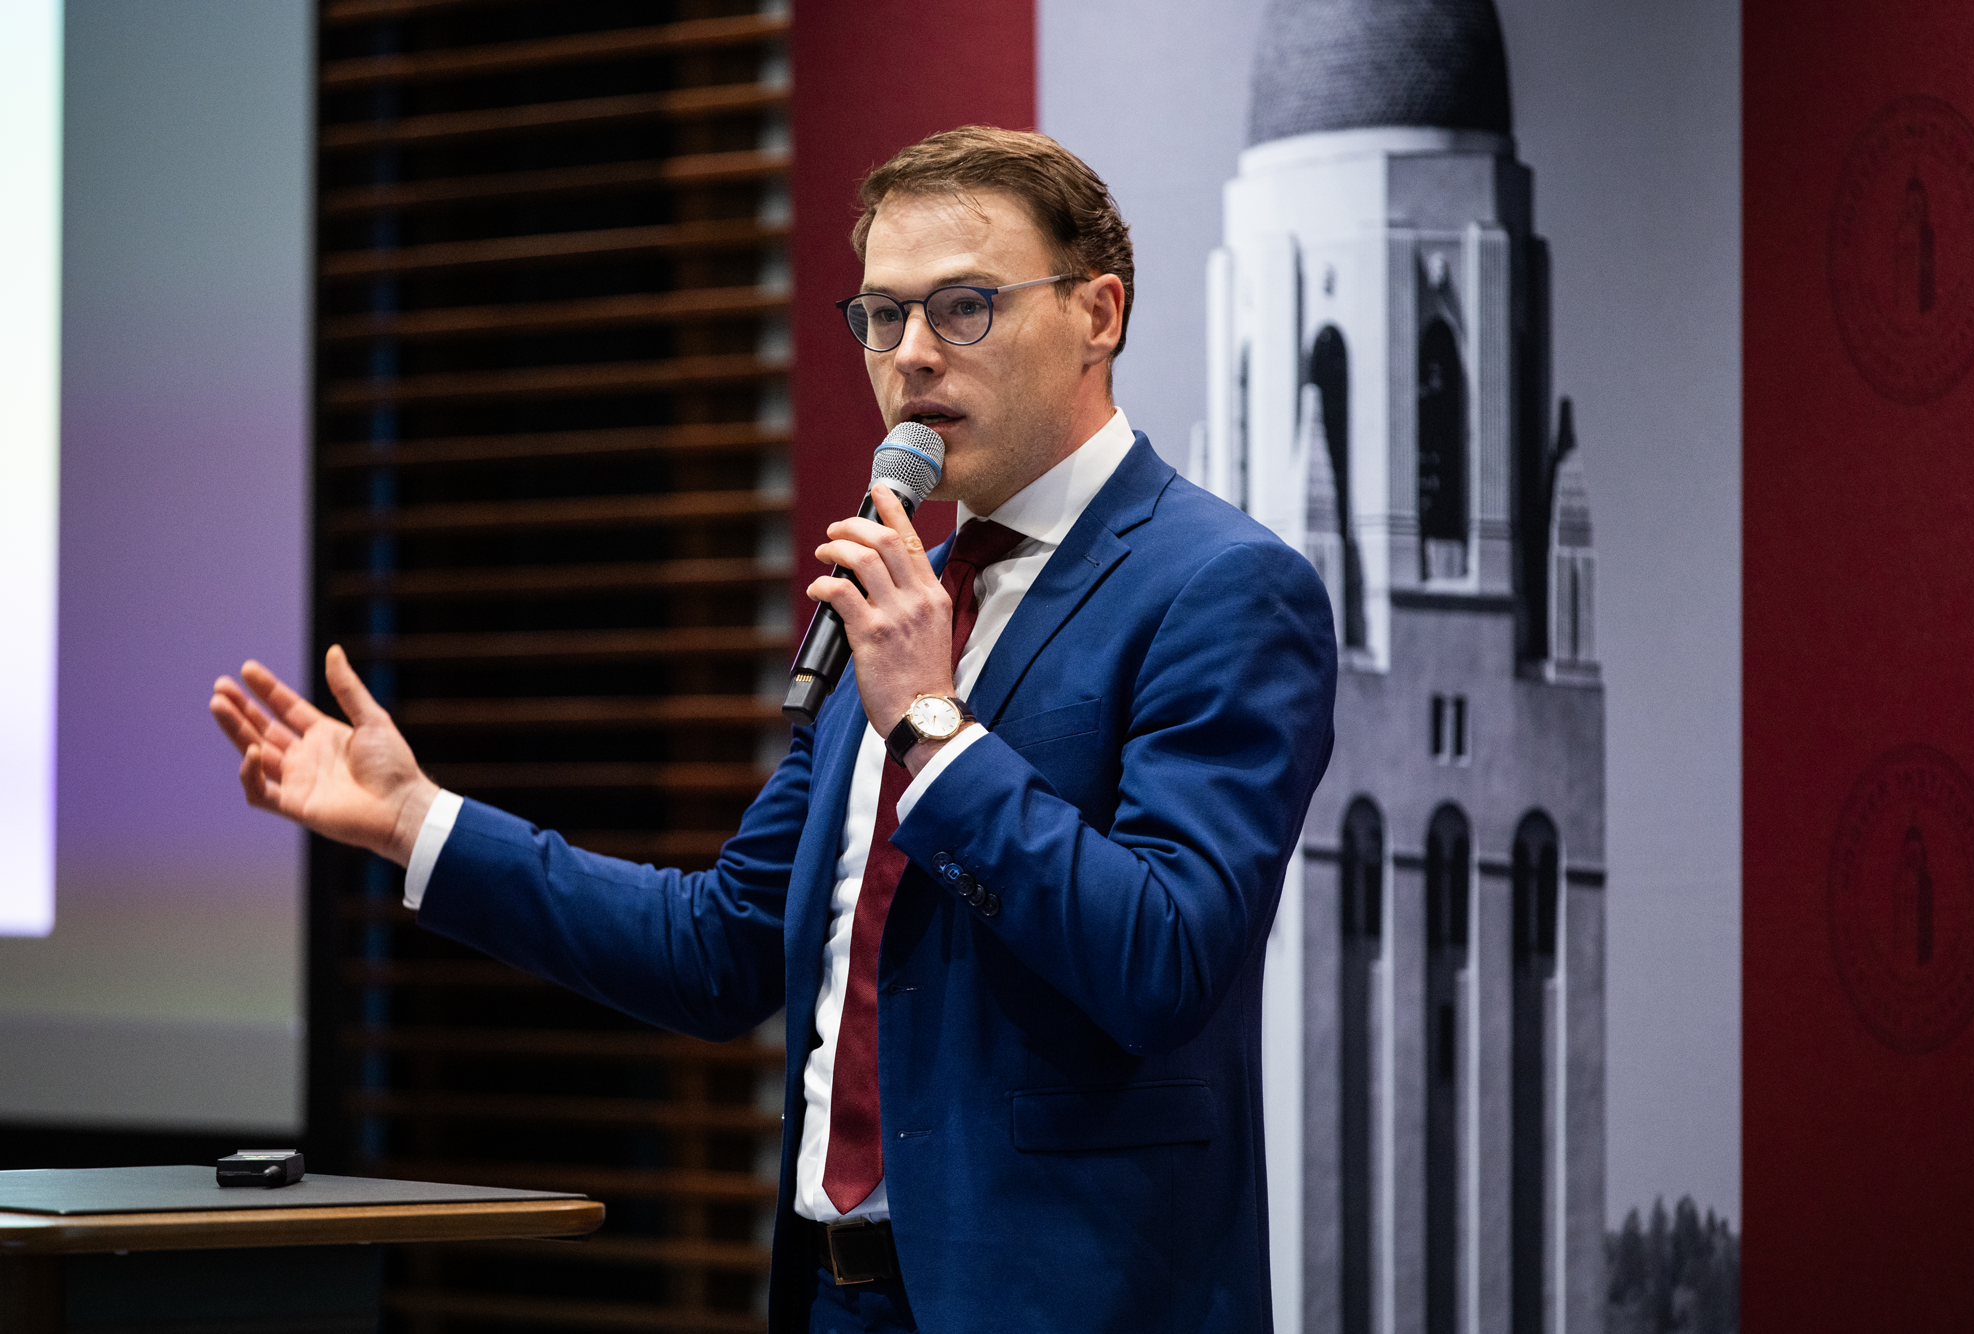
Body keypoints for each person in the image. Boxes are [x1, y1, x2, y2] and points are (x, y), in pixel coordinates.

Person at [211, 126, 1338, 1334]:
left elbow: (1163, 960)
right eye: (881, 314)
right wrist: (416, 822)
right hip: (828, 1295)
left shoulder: (1216, 585)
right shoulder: (906, 598)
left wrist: (929, 724)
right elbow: (721, 949)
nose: (909, 355)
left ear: (1097, 311)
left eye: (963, 306)